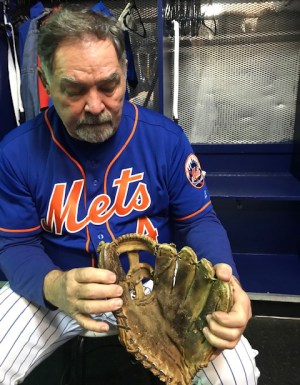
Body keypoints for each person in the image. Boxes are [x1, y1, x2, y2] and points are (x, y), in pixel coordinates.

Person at [0, 4, 259, 385]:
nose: (94, 105)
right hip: (61, 290)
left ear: (125, 74)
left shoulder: (165, 140)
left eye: (109, 85)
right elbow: (14, 246)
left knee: (235, 374)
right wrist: (55, 286)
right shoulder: (16, 152)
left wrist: (228, 281)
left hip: (156, 295)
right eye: (73, 89)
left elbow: (199, 221)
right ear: (45, 80)